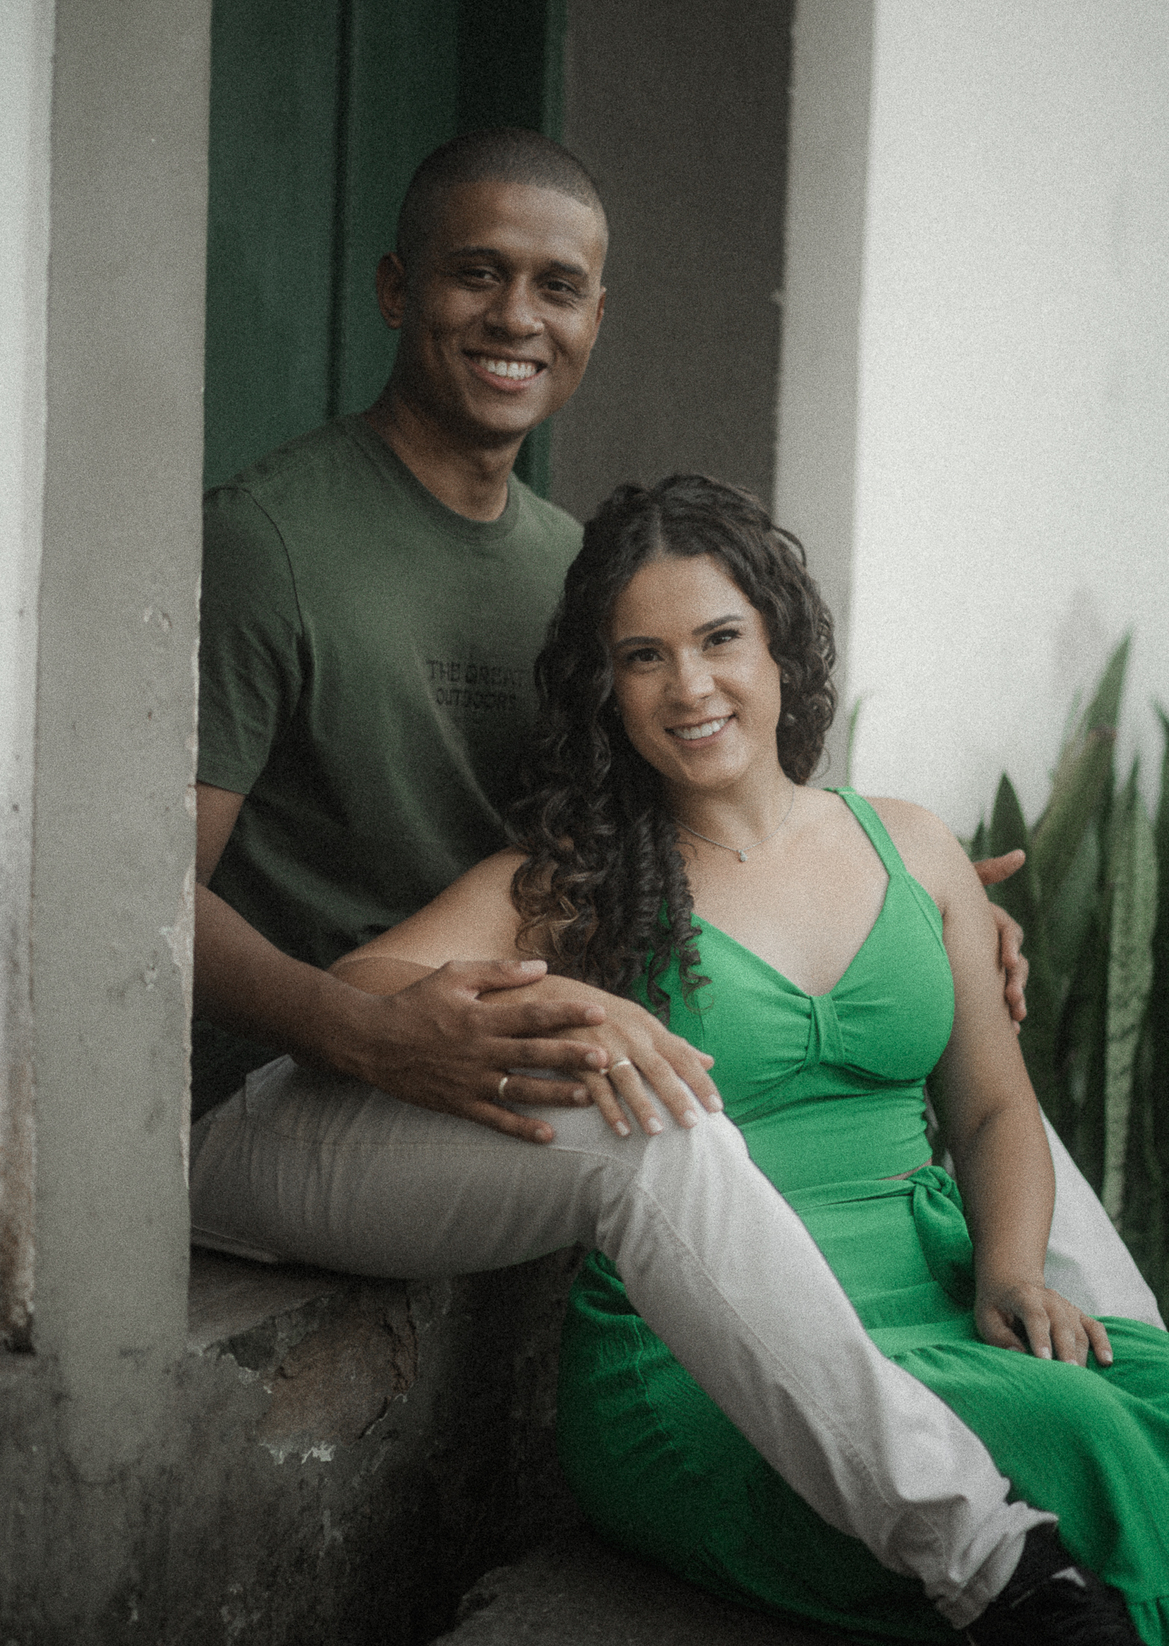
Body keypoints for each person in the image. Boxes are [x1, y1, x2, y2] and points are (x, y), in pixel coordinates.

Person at [189, 129, 1160, 1635]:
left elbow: (687, 819)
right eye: (476, 273)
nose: (517, 316)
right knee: (656, 1122)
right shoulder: (269, 541)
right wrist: (371, 1027)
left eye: (557, 284)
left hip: (483, 1070)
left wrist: (924, 913)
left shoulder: (570, 563)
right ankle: (993, 1561)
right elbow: (146, 902)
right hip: (307, 1077)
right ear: (394, 288)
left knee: (1012, 1140)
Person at [330, 473, 1169, 1645]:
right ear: (606, 691)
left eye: (721, 638)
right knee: (1072, 1434)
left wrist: (1012, 1273)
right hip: (713, 1359)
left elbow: (990, 1109)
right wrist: (558, 996)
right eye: (643, 658)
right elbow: (359, 988)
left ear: (782, 645)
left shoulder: (914, 846)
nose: (690, 687)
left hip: (938, 1291)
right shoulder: (580, 883)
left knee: (1141, 1399)